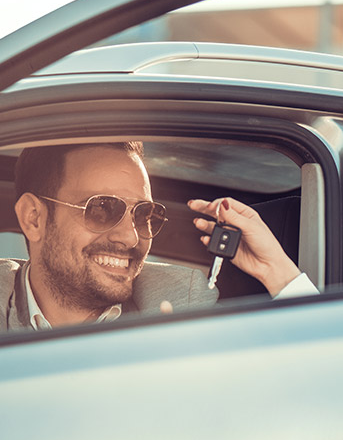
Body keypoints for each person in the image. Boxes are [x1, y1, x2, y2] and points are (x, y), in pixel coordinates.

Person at [1, 141, 313, 330]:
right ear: (34, 218)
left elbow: (340, 380)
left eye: (143, 214)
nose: (131, 237)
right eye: (102, 209)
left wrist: (278, 272)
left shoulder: (182, 304)